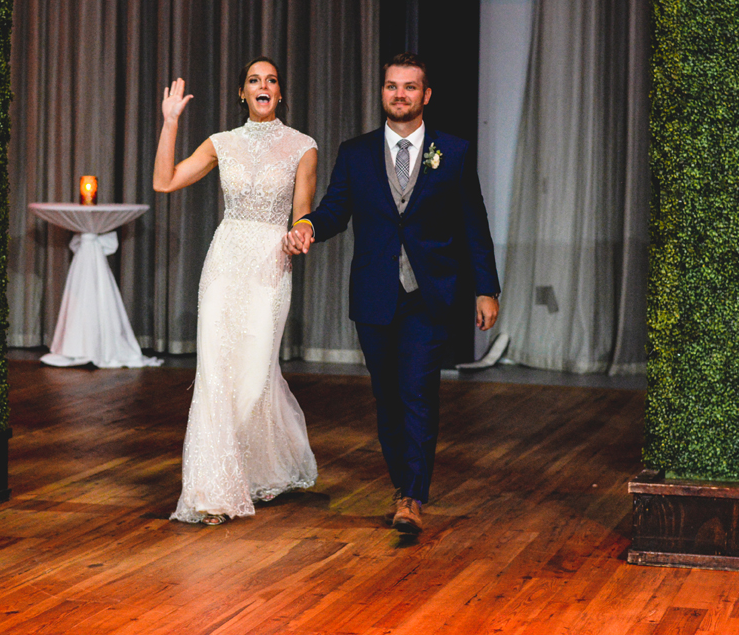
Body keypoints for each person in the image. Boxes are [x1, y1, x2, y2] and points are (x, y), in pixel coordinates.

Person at [281, 53, 500, 535]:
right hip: (376, 293)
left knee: (417, 390)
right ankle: (403, 484)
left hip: (430, 294)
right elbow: (336, 209)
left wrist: (486, 288)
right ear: (383, 93)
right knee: (387, 396)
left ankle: (411, 497)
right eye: (391, 86)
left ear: (426, 95)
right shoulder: (355, 153)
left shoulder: (454, 151)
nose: (399, 94)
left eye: (409, 87)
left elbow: (473, 224)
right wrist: (308, 225)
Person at [153, 58, 319, 525]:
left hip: (270, 263)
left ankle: (251, 467)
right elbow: (164, 181)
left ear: (279, 93)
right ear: (241, 93)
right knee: (214, 377)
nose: (262, 86)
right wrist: (170, 124)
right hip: (224, 264)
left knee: (252, 378)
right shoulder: (221, 143)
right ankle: (212, 492)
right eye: (253, 80)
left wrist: (301, 232)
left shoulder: (302, 146)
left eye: (270, 80)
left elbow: (303, 209)